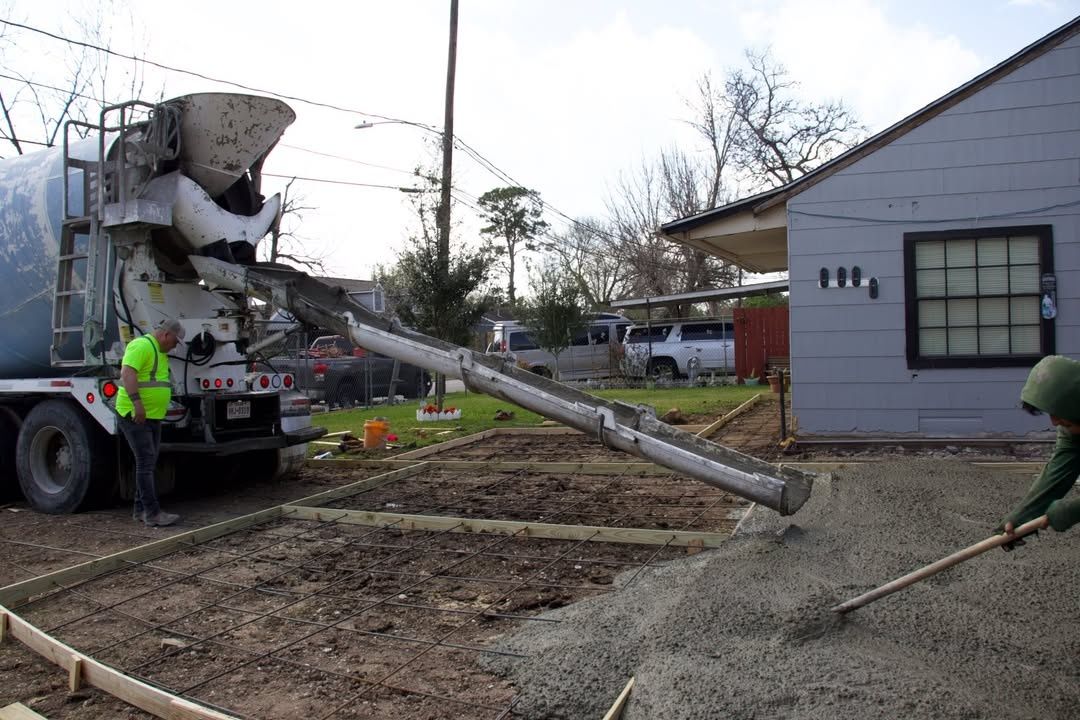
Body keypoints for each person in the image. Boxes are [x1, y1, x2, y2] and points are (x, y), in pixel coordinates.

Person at [999, 355, 1080, 542]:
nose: (1054, 422)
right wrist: (1022, 516)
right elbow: (1057, 473)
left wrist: (1074, 510)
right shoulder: (1073, 428)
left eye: (1059, 413)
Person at [115, 318, 185, 527]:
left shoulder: (159, 351)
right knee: (146, 463)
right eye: (175, 341)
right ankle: (152, 513)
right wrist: (137, 404)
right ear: (166, 334)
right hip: (135, 414)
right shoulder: (142, 346)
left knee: (148, 463)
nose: (174, 346)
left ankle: (140, 510)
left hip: (150, 416)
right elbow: (127, 373)